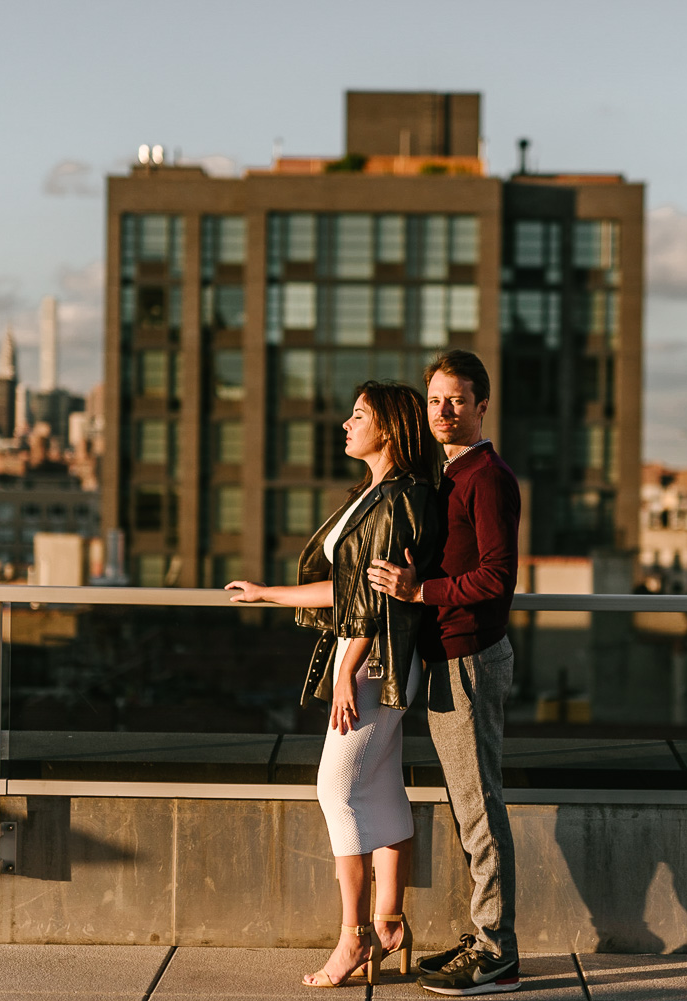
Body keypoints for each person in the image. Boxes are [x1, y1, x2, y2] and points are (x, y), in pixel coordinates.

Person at [226, 380, 439, 989]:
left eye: (358, 415)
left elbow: (380, 590)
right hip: (367, 652)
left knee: (335, 789)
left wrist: (347, 670)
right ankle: (390, 921)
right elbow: (345, 589)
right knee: (379, 786)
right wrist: (268, 592)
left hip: (373, 658)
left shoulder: (402, 497)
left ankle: (355, 937)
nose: (345, 425)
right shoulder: (376, 494)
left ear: (391, 429)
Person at [367, 350, 522, 996]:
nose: (442, 411)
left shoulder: (486, 476)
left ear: (481, 405)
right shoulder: (450, 473)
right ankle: (482, 934)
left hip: (469, 659)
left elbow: (497, 575)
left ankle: (497, 951)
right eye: (434, 400)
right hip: (447, 658)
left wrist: (419, 590)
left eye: (456, 399)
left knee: (479, 808)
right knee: (467, 809)